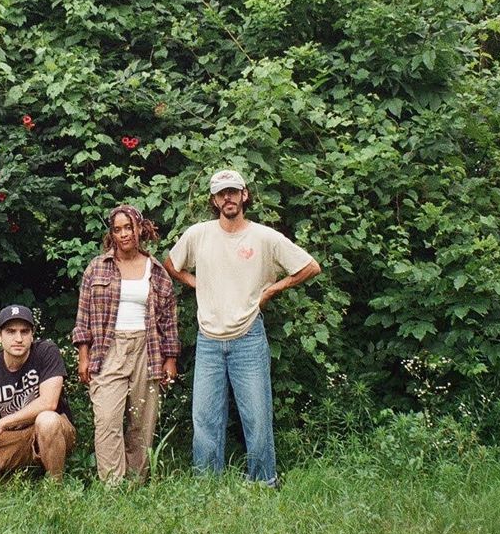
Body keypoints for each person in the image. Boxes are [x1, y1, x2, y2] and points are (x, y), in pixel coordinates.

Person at [164, 169, 321, 486]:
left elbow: (310, 266)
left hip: (248, 337)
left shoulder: (264, 237)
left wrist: (272, 290)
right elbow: (171, 264)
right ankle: (207, 485)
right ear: (214, 200)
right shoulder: (199, 234)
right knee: (205, 419)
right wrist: (197, 283)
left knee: (257, 417)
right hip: (208, 339)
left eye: (233, 191)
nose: (228, 198)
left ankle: (264, 482)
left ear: (244, 195)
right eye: (222, 193)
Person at [73, 204, 180, 483]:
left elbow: (168, 319)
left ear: (140, 229)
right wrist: (83, 355)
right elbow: (83, 315)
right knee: (107, 419)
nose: (123, 234)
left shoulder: (156, 271)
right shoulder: (97, 268)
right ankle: (112, 485)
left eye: (128, 228)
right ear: (111, 234)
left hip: (148, 348)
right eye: (117, 229)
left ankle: (135, 483)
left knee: (142, 422)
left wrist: (170, 359)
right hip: (108, 348)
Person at [0, 304, 77, 504]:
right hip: (18, 436)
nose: (18, 338)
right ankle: (20, 470)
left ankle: (55, 488)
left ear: (32, 335)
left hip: (56, 430)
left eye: (24, 331)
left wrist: (2, 423)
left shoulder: (46, 352)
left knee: (46, 420)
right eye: (11, 331)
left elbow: (49, 402)